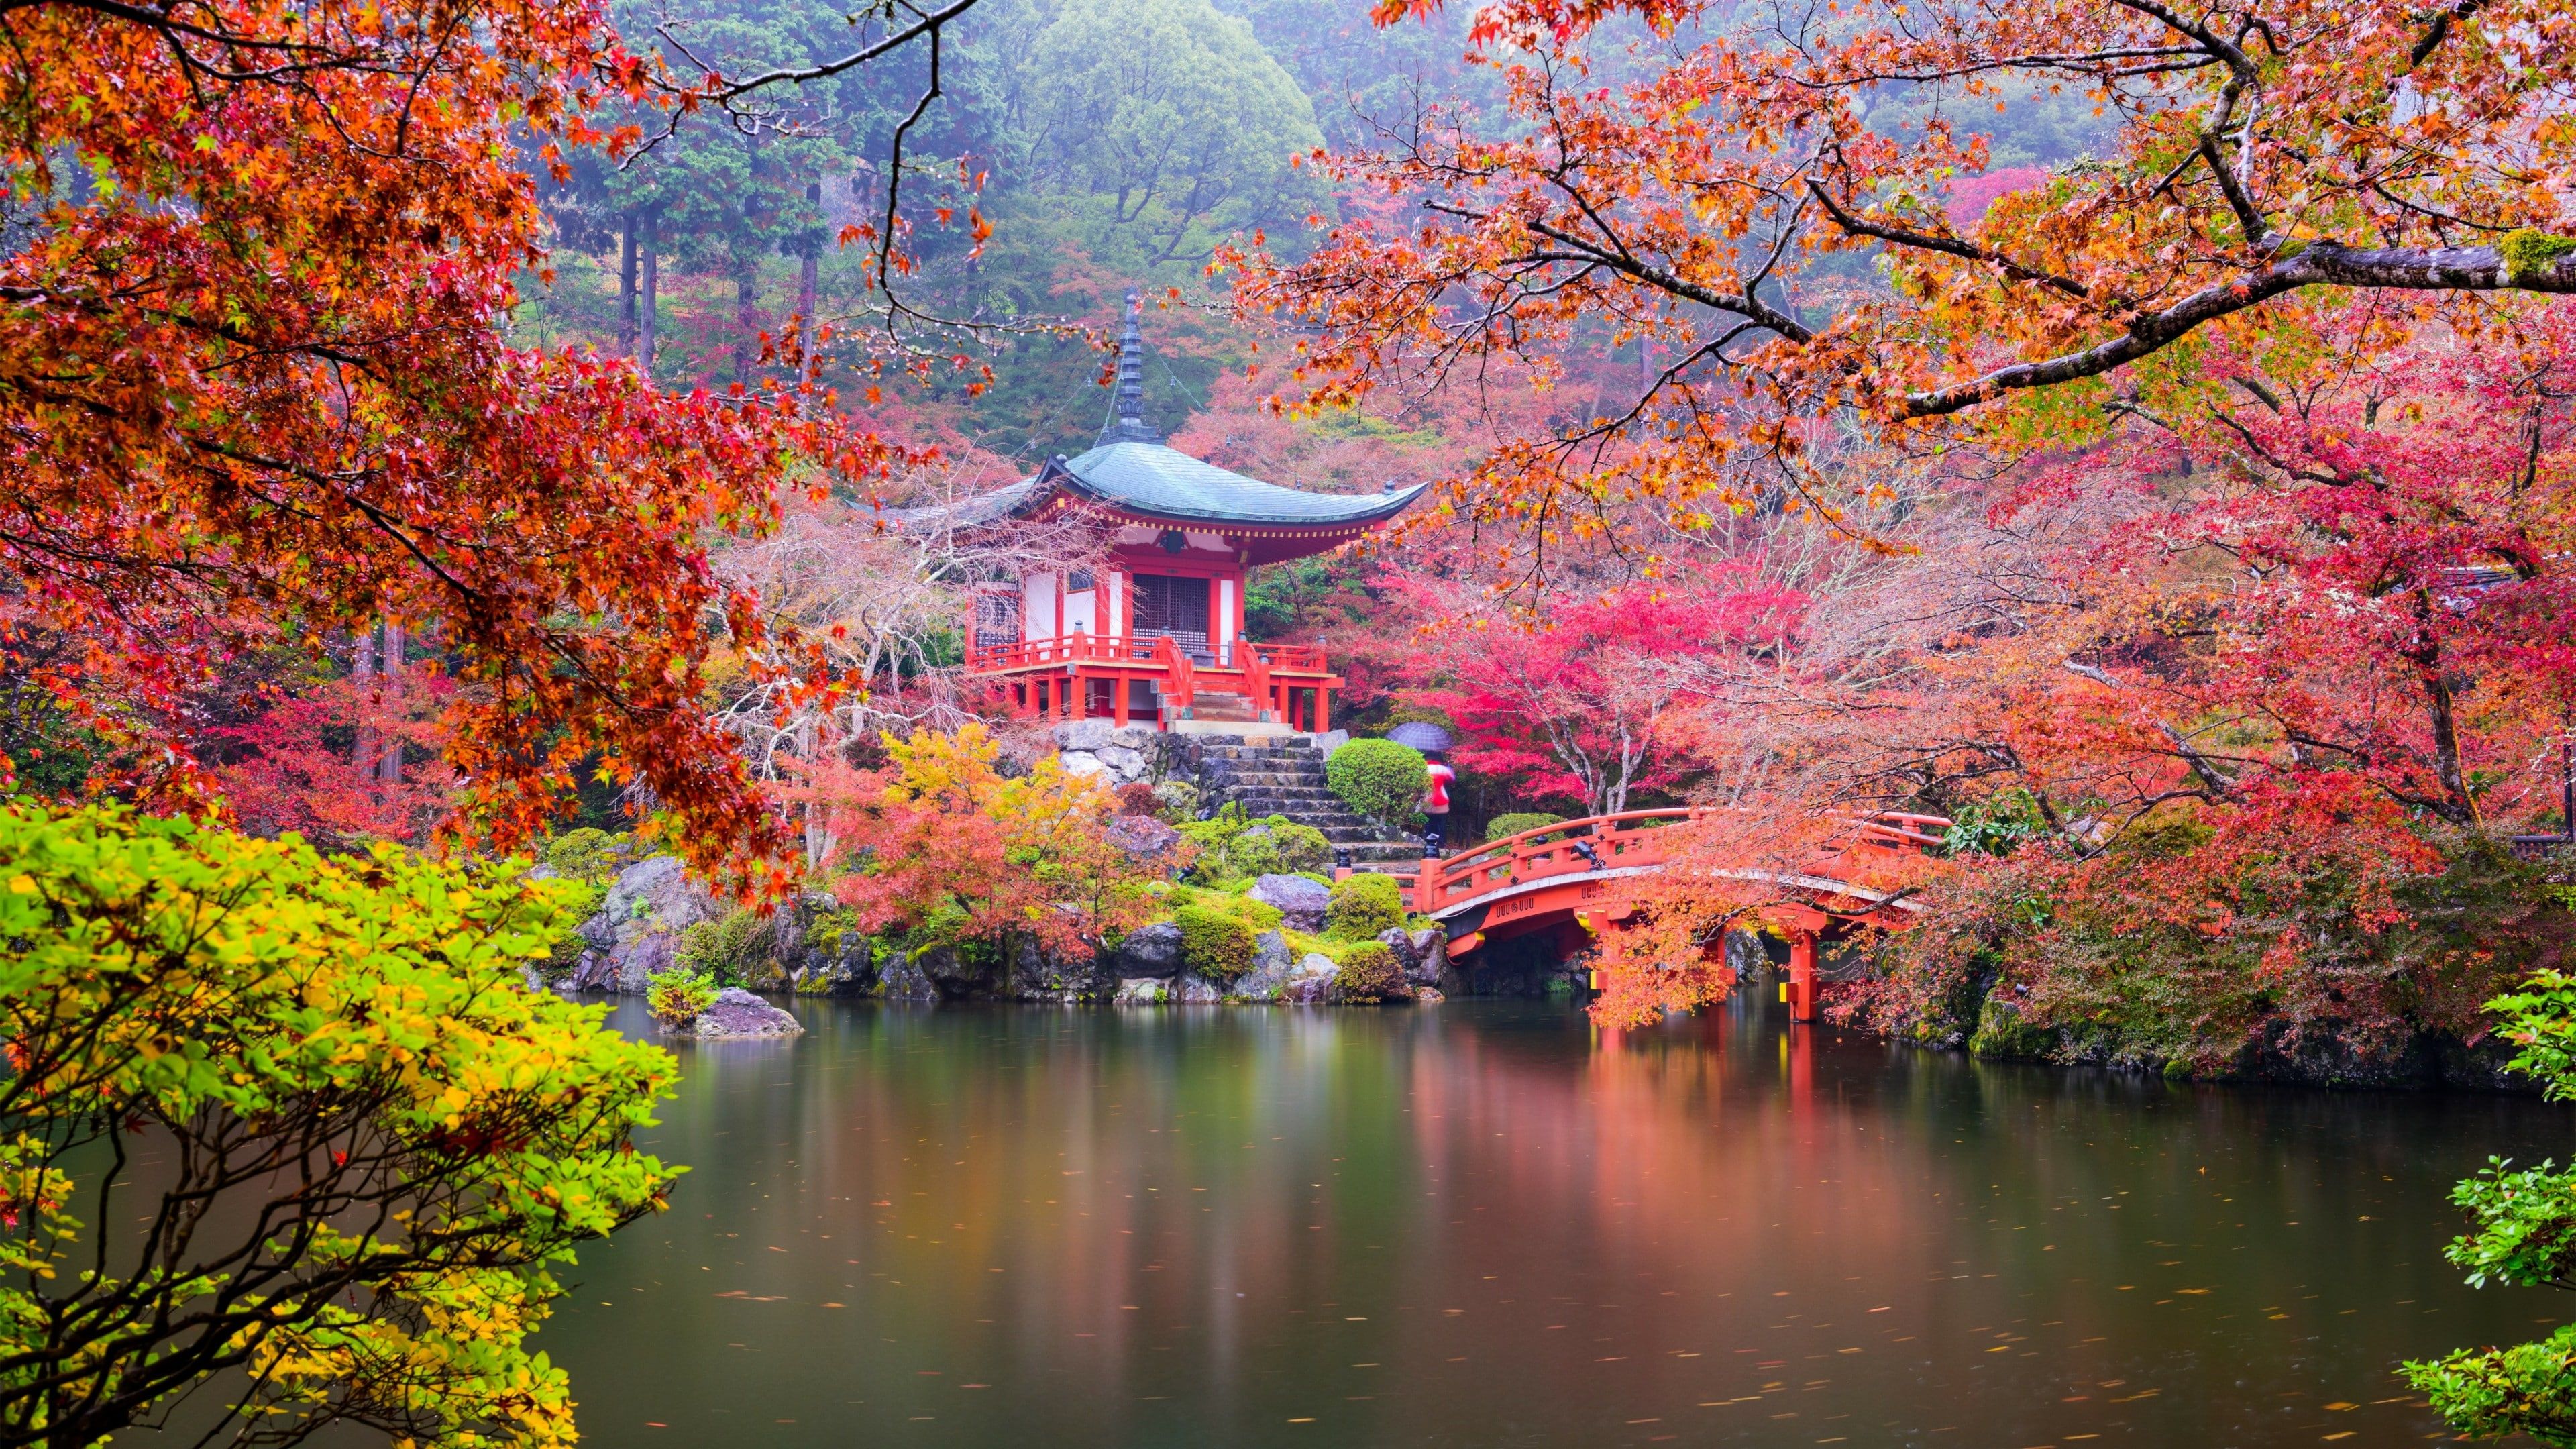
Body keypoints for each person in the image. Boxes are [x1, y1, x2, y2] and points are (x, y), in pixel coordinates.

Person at [1420, 749, 1456, 858]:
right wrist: (1449, 767)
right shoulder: (1442, 769)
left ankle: (1428, 843)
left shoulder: (1423, 769)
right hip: (1441, 800)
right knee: (1441, 823)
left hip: (1428, 799)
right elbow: (1452, 779)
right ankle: (1441, 842)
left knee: (1428, 822)